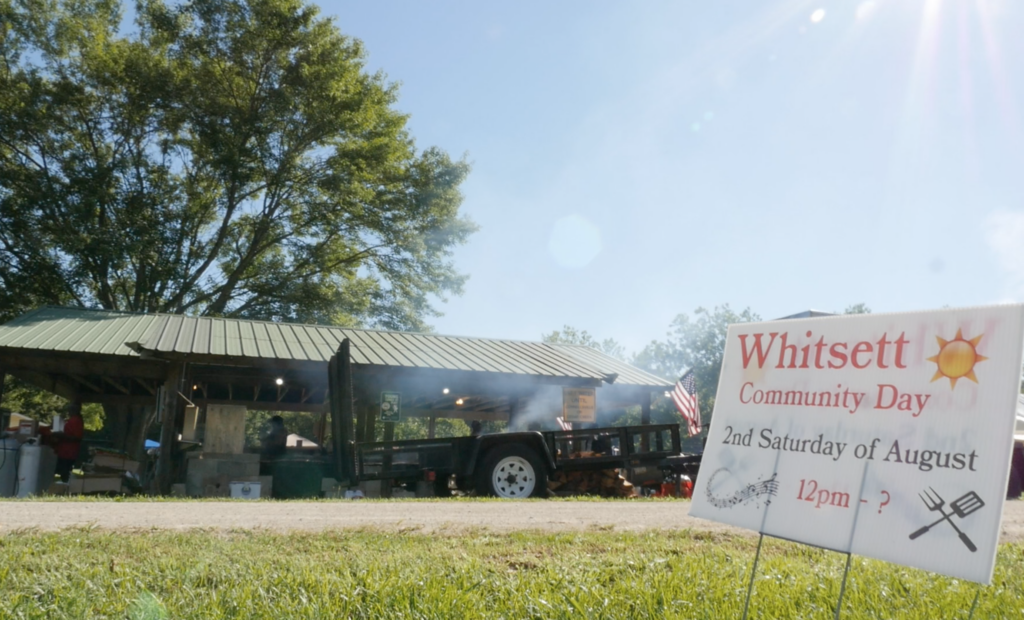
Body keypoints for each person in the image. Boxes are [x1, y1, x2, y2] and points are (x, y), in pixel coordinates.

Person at [49, 403, 84, 483]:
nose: (68, 412)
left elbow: (77, 438)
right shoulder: (72, 420)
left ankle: (64, 488)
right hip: (64, 451)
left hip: (69, 452)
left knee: (64, 472)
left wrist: (60, 435)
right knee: (60, 470)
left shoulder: (76, 420)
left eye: (69, 410)